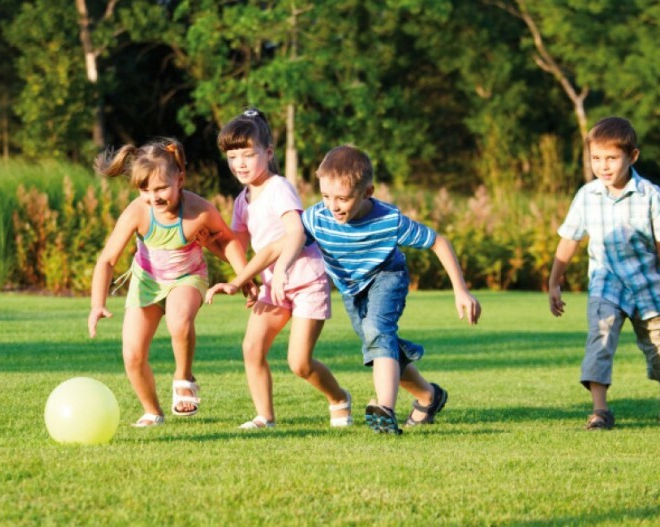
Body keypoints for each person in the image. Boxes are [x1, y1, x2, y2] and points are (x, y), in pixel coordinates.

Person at [274, 144, 481, 435]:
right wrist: (279, 268)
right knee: (379, 346)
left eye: (343, 199)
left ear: (367, 192)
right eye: (325, 196)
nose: (333, 206)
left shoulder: (388, 220)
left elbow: (438, 242)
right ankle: (428, 396)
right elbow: (293, 239)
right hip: (351, 288)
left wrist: (461, 290)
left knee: (377, 331)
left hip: (388, 275)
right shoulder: (317, 216)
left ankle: (385, 409)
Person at [204, 108, 352, 430]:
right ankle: (265, 417)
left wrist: (281, 268)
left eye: (248, 154)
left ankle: (339, 398)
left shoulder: (279, 187)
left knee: (299, 363)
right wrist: (208, 245)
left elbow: (296, 232)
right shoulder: (242, 200)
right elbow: (237, 248)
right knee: (251, 347)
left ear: (268, 153)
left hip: (305, 279)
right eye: (232, 156)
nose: (240, 163)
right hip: (274, 284)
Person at [88, 138, 249, 427]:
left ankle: (183, 376)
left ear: (180, 179)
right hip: (146, 282)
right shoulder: (138, 211)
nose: (154, 197)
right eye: (145, 190)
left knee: (179, 320)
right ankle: (152, 411)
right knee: (132, 354)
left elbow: (228, 243)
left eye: (161, 188)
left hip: (187, 278)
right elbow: (107, 260)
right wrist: (97, 304)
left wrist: (245, 278)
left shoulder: (198, 210)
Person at [548, 116, 660, 430]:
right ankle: (600, 411)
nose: (603, 166)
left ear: (632, 156)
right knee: (600, 339)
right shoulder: (586, 195)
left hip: (647, 288)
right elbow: (569, 240)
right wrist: (554, 282)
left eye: (611, 158)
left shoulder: (650, 195)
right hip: (605, 284)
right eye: (596, 158)